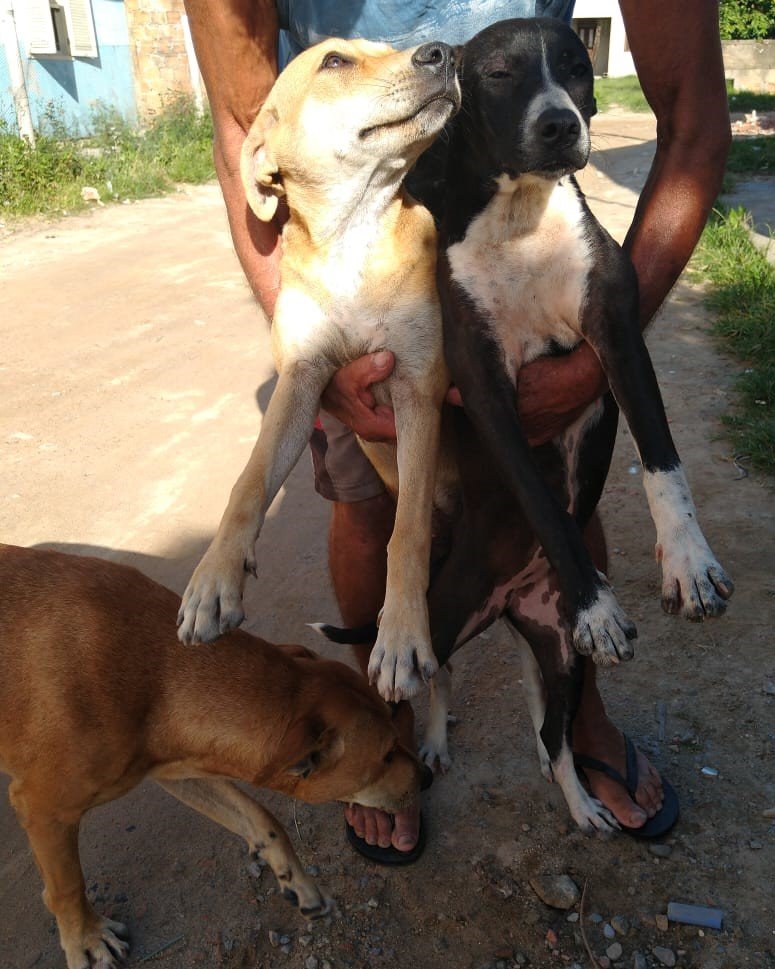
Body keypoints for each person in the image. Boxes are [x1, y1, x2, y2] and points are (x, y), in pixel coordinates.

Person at [181, 0, 731, 859]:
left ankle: (577, 707)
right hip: (350, 205)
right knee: (366, 504)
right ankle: (388, 722)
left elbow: (694, 114)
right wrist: (304, 346)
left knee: (562, 496)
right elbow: (240, 118)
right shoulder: (291, 132)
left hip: (516, 214)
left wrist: (600, 347)